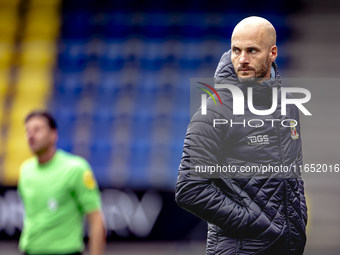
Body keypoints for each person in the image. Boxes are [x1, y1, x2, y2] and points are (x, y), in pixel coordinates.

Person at [175, 17, 308, 255]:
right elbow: (189, 189)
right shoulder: (215, 111)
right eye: (236, 50)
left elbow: (294, 177)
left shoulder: (289, 107)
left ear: (273, 52)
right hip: (240, 248)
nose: (242, 59)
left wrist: (297, 221)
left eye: (252, 51)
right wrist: (254, 224)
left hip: (289, 247)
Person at [18, 111, 106, 255]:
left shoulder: (75, 169)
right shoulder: (25, 171)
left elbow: (96, 220)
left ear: (53, 135)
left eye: (37, 130)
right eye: (27, 130)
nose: (31, 135)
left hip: (65, 252)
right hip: (29, 251)